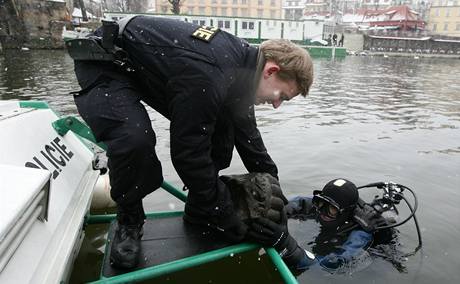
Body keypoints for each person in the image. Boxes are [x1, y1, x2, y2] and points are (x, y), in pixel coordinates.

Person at [68, 15, 314, 269]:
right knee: (134, 139)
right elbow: (188, 156)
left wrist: (277, 197)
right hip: (106, 62)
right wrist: (229, 217)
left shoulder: (241, 69)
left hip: (149, 64)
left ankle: (200, 208)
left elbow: (251, 141)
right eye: (282, 96)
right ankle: (130, 221)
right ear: (271, 71)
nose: (276, 105)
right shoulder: (209, 73)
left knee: (222, 132)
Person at [249, 178, 395, 273]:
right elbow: (297, 203)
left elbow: (331, 265)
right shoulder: (319, 207)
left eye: (332, 209)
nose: (323, 212)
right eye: (321, 203)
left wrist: (286, 244)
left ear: (346, 212)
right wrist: (270, 214)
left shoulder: (360, 233)